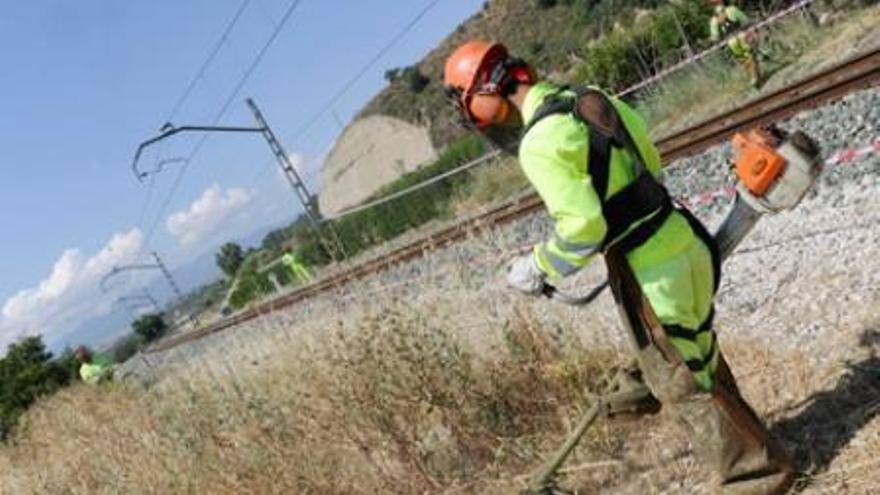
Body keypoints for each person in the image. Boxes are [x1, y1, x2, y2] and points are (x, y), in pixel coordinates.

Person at [443, 41, 794, 494]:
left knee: (682, 382)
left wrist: (539, 267)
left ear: (485, 91)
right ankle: (764, 454)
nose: (473, 115)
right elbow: (648, 160)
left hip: (648, 269)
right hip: (683, 237)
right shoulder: (592, 98)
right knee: (700, 357)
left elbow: (584, 227)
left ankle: (758, 480)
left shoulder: (539, 142)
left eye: (466, 100)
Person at [710, 0, 762, 87]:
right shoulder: (732, 10)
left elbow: (715, 37)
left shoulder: (714, 20)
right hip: (741, 36)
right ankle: (755, 77)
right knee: (749, 56)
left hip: (733, 41)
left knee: (744, 59)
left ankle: (754, 78)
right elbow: (745, 20)